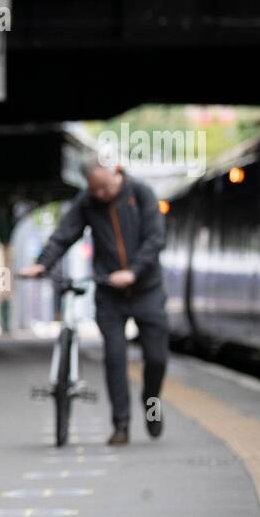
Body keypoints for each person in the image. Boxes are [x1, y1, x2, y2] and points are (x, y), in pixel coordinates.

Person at [20, 161, 168, 446]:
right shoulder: (87, 202)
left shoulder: (142, 193)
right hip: (109, 292)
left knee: (156, 359)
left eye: (107, 187)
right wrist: (41, 264)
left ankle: (152, 407)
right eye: (96, 190)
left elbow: (156, 238)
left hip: (146, 289)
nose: (102, 194)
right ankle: (121, 425)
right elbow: (65, 234)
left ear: (117, 172)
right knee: (115, 358)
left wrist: (134, 271)